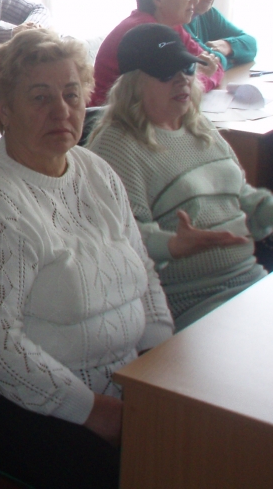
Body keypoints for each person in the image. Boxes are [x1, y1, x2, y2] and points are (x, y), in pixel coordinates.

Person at [0, 29, 173, 489]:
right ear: (6, 109)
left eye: (72, 94)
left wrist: (158, 363)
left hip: (108, 377)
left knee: (194, 442)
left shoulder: (95, 169)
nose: (62, 110)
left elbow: (145, 274)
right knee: (135, 471)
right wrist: (94, 411)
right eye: (40, 98)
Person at [87, 23, 271, 328]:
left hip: (250, 284)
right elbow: (118, 239)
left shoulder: (196, 124)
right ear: (132, 84)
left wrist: (266, 209)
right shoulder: (117, 145)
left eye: (187, 67)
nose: (182, 80)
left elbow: (245, 200)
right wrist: (172, 245)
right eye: (165, 72)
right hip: (196, 305)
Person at [90, 0, 223, 106]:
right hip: (113, 118)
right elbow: (170, 93)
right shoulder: (143, 34)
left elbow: (216, 67)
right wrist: (200, 77)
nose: (195, 0)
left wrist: (199, 78)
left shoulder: (171, 26)